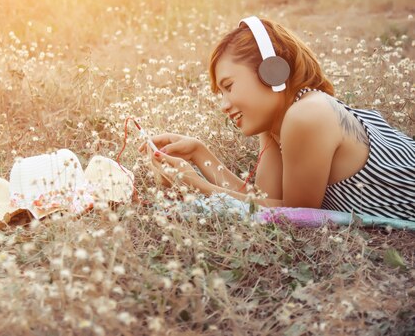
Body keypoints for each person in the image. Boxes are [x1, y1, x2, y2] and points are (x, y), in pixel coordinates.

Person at [141, 16, 415, 221]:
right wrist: (199, 154)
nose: (224, 105)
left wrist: (197, 185)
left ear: (271, 72)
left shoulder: (307, 115)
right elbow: (262, 203)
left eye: (229, 86)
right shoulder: (278, 124)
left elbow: (295, 216)